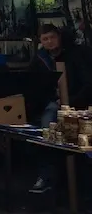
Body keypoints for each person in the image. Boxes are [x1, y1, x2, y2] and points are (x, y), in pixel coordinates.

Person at [28, 24, 92, 193]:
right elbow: (34, 86)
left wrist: (72, 101)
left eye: (52, 37)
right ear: (40, 41)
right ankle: (46, 175)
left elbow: (87, 82)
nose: (49, 42)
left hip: (80, 102)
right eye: (45, 39)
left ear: (59, 36)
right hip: (53, 103)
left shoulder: (76, 54)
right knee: (46, 126)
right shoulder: (40, 59)